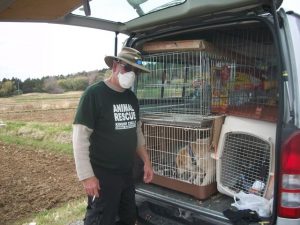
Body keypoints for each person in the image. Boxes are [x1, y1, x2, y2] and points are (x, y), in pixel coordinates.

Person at [72, 47, 154, 225]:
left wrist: (146, 161)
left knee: (128, 216)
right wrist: (87, 176)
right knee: (101, 218)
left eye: (136, 71)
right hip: (102, 175)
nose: (131, 74)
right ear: (115, 65)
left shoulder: (131, 98)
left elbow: (136, 132)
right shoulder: (94, 95)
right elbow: (80, 139)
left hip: (127, 172)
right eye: (128, 68)